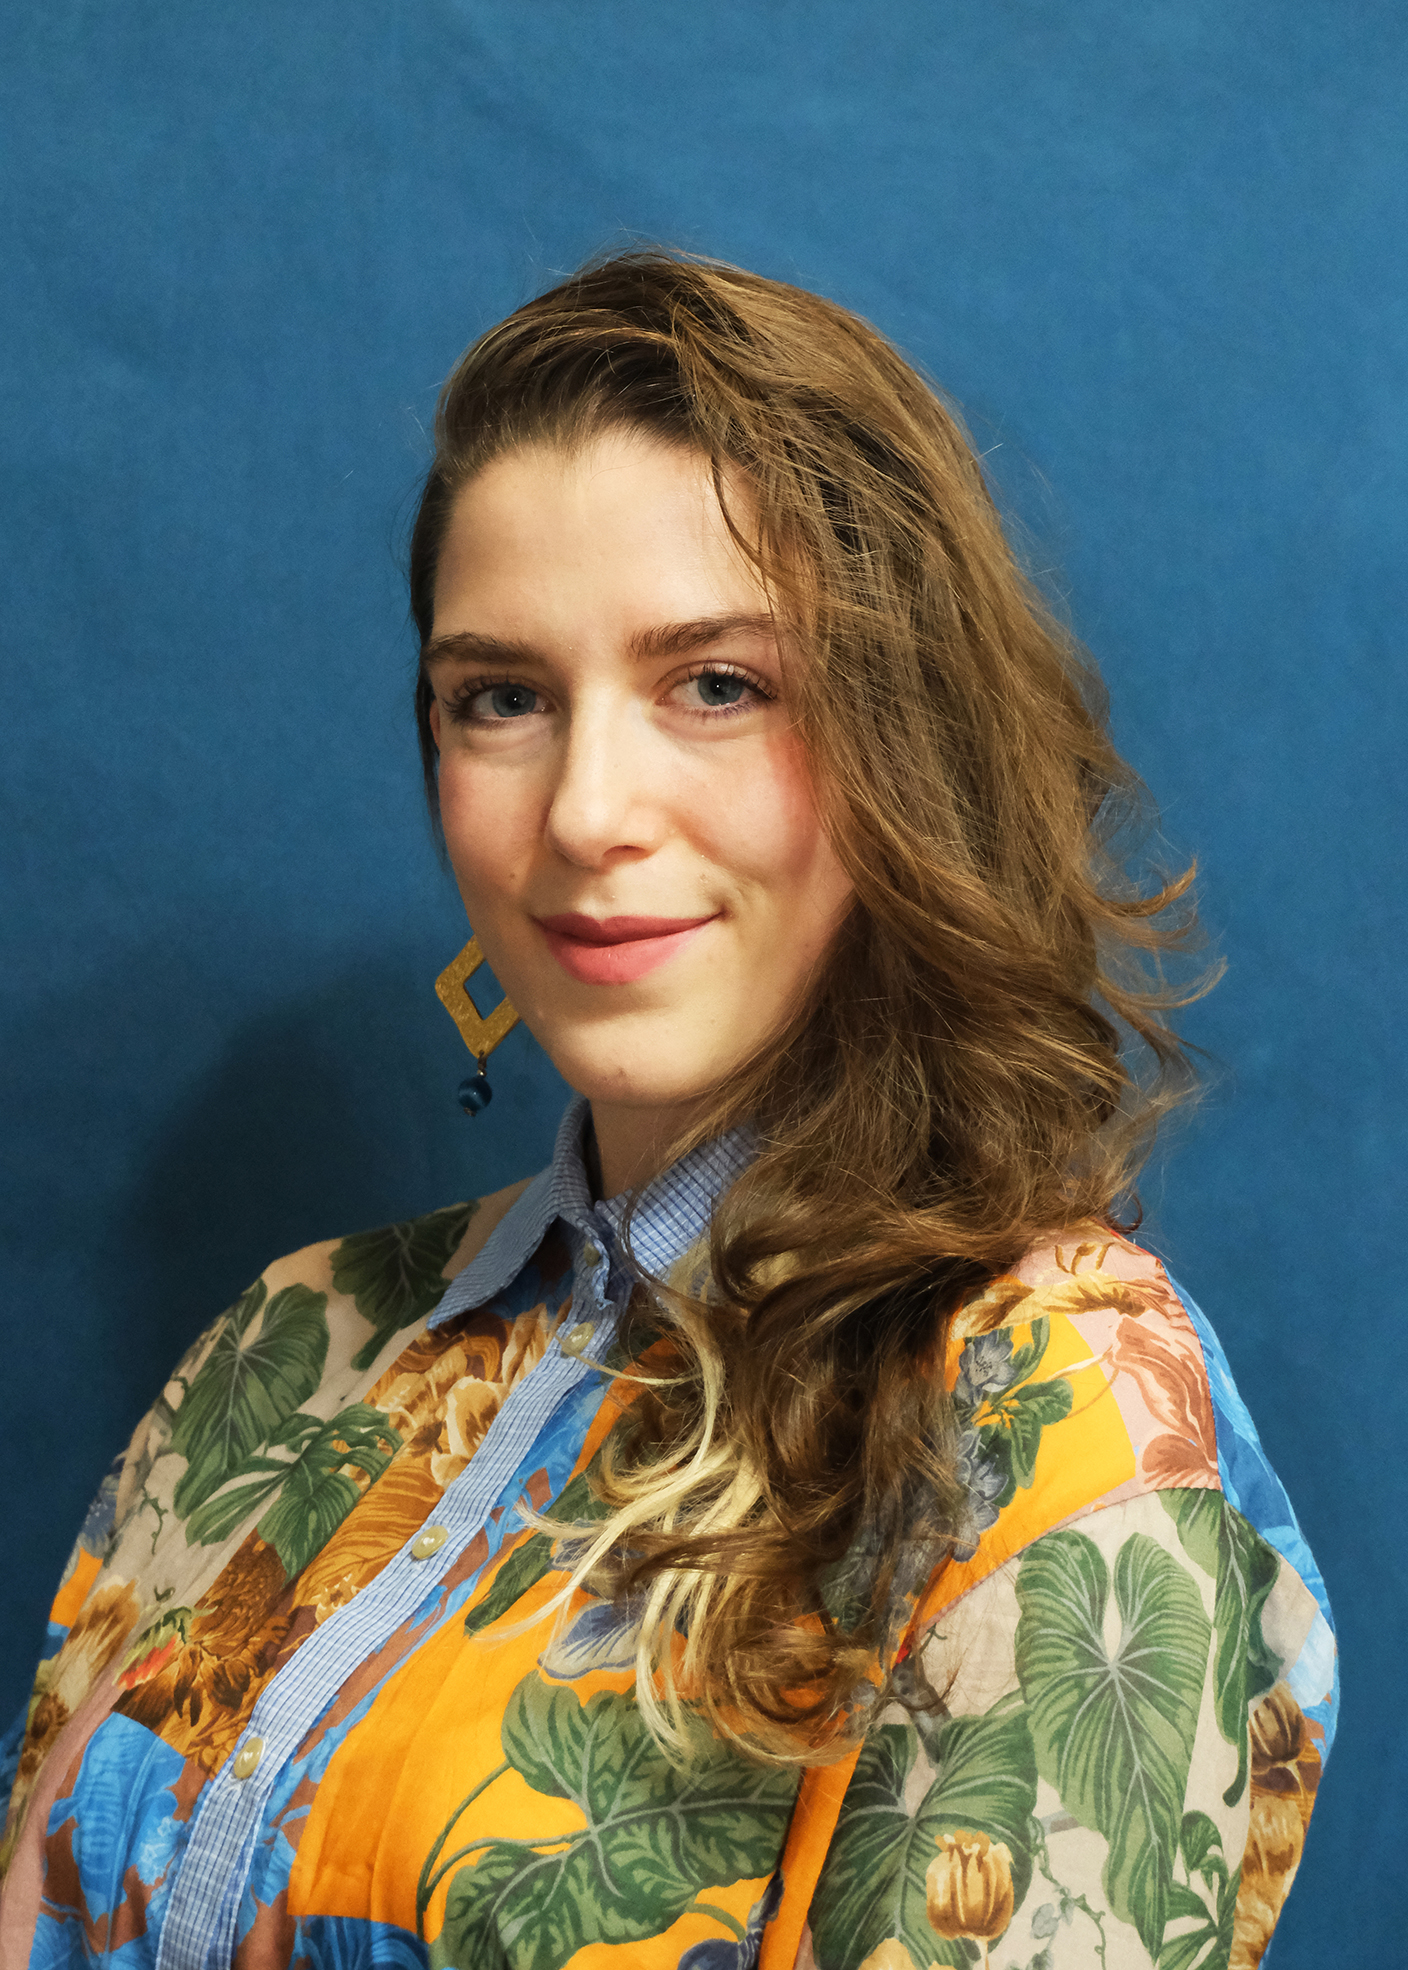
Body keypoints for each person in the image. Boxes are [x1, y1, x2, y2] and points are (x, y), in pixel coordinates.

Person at [0, 252, 1334, 1970]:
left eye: (716, 683)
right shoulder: (286, 1346)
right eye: (503, 696)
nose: (588, 811)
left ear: (905, 737)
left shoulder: (1053, 1413)